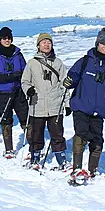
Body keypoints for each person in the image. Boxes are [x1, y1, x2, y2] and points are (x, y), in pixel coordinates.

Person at [64, 27, 105, 184]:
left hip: (99, 109)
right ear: (97, 43)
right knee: (81, 135)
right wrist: (69, 81)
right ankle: (76, 169)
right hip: (81, 106)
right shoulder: (84, 61)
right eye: (103, 43)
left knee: (98, 140)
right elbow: (72, 77)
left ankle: (93, 169)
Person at [21, 32, 69, 169]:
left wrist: (67, 103)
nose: (46, 44)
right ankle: (35, 158)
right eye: (43, 42)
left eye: (49, 42)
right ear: (38, 45)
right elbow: (24, 81)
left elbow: (64, 84)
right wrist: (28, 90)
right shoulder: (32, 63)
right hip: (37, 105)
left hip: (55, 106)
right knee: (36, 135)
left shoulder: (58, 63)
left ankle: (61, 158)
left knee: (57, 134)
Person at [0, 26, 27, 158]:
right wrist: (10, 77)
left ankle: (31, 145)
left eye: (9, 38)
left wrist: (21, 78)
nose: (7, 40)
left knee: (25, 118)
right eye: (4, 38)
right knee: (6, 120)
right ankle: (8, 148)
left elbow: (25, 71)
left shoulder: (18, 54)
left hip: (18, 91)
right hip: (4, 93)